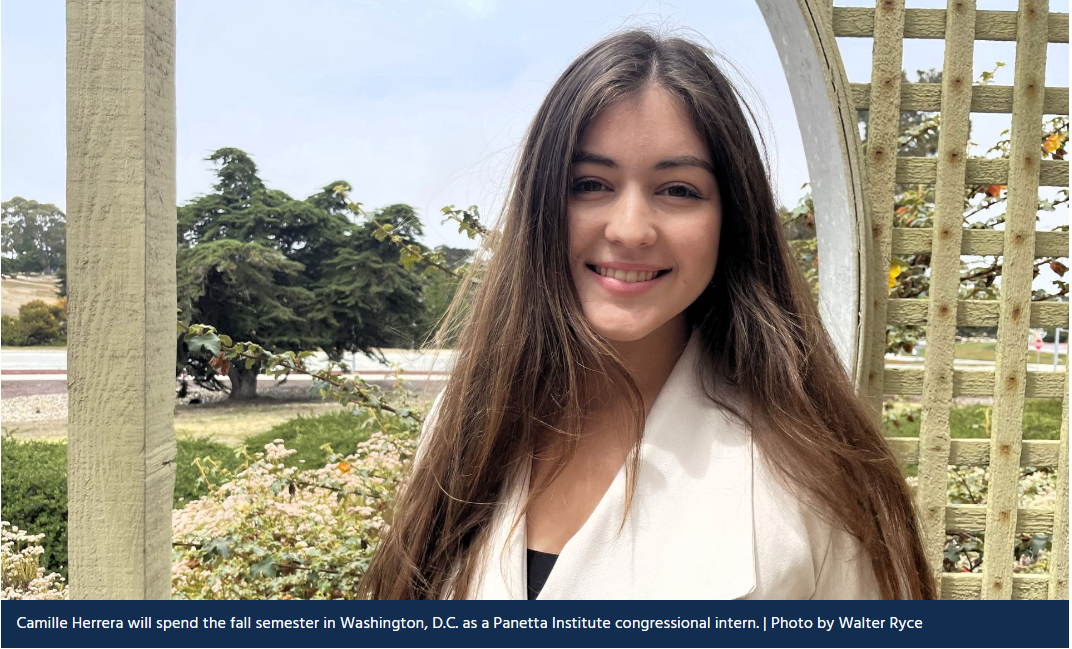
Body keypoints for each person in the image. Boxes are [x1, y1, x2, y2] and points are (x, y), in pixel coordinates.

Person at [359, 29, 935, 600]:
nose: (630, 230)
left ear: (732, 218)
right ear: (541, 207)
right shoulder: (465, 423)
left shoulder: (817, 473)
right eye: (590, 184)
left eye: (678, 190)